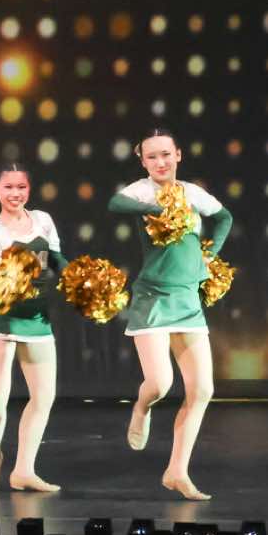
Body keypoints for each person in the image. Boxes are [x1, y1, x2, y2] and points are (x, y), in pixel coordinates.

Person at [107, 128, 234, 500]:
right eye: (151, 157)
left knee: (203, 389)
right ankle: (141, 407)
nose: (160, 162)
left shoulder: (192, 193)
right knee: (160, 384)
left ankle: (177, 471)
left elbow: (224, 217)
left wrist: (209, 255)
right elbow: (115, 204)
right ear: (143, 161)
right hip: (154, 299)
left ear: (178, 154)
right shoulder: (142, 191)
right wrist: (154, 207)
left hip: (188, 301)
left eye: (166, 154)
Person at [0, 164, 65, 492]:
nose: (15, 193)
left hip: (36, 319)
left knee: (44, 395)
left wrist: (77, 278)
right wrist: (5, 288)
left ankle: (24, 469)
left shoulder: (43, 221)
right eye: (8, 187)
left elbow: (56, 260)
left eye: (21, 187)